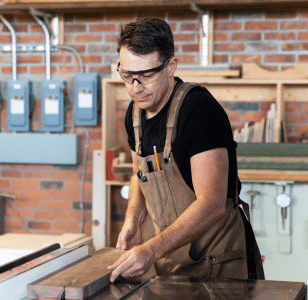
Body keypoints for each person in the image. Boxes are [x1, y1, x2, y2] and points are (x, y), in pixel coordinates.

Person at [107, 18, 264, 282]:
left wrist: (152, 249)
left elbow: (212, 203)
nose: (134, 87)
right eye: (127, 76)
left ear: (171, 67)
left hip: (221, 263)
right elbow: (139, 175)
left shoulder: (199, 111)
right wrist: (133, 221)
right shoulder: (134, 114)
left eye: (145, 76)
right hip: (173, 261)